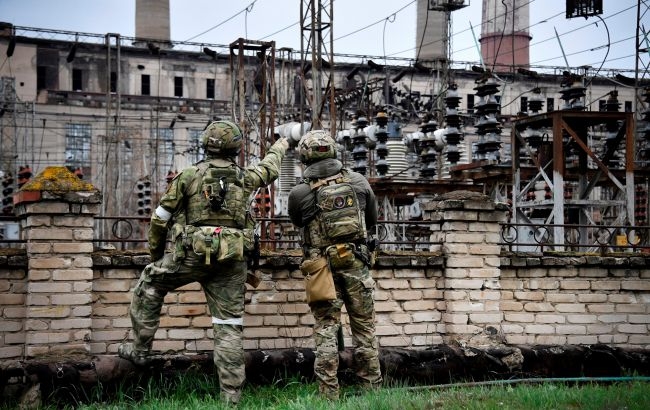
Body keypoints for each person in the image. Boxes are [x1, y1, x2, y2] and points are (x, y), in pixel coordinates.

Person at [118, 120, 289, 405]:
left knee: (150, 281)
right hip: (231, 262)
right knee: (229, 326)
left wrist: (156, 256)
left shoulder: (188, 176)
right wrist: (282, 144)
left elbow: (159, 219)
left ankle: (140, 350)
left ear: (205, 144)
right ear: (237, 147)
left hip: (189, 257)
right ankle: (231, 399)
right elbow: (270, 168)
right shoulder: (245, 177)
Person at [287, 130, 382, 400]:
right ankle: (372, 390)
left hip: (321, 268)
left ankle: (329, 394)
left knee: (326, 327)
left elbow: (297, 222)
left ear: (304, 157)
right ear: (333, 151)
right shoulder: (359, 182)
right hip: (356, 263)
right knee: (364, 327)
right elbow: (372, 219)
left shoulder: (300, 193)